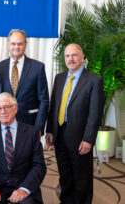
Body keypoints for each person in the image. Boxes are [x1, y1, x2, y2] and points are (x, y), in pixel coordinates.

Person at [46, 43, 105, 203]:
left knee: (81, 176)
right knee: (65, 173)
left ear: (82, 57)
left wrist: (88, 139)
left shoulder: (94, 81)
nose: (70, 59)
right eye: (67, 56)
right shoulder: (59, 78)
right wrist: (49, 130)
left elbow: (95, 114)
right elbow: (54, 106)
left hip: (80, 138)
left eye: (74, 55)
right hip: (59, 135)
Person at [0, 92, 46, 204]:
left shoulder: (32, 133)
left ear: (15, 108)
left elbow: (39, 166)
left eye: (7, 107)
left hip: (23, 184)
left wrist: (24, 189)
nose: (3, 112)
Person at [0, 29, 49, 136]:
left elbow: (44, 100)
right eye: (13, 43)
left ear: (25, 44)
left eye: (20, 44)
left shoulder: (38, 68)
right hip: (4, 124)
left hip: (30, 124)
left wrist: (39, 128)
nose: (16, 47)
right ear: (8, 44)